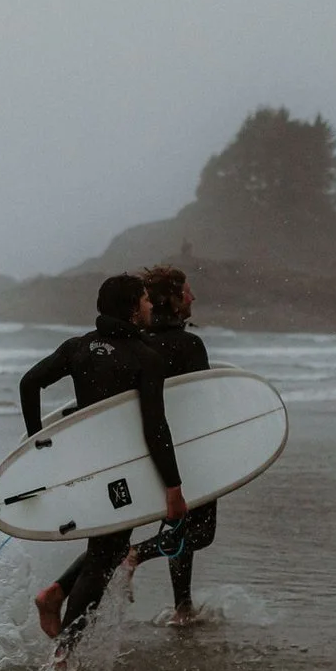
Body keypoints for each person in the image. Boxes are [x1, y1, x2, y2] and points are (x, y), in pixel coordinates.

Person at [18, 274, 179, 651]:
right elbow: (155, 428)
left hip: (87, 466)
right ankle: (64, 651)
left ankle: (55, 597)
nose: (150, 305)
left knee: (106, 549)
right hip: (122, 470)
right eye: (145, 299)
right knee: (104, 557)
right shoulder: (145, 357)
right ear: (132, 308)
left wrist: (37, 442)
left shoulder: (78, 347)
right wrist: (173, 486)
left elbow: (29, 383)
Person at [123, 265, 216, 625]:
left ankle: (183, 607)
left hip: (152, 450)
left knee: (180, 525)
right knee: (200, 532)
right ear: (174, 300)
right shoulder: (189, 345)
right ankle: (136, 554)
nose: (193, 297)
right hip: (189, 448)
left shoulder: (139, 343)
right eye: (187, 291)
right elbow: (200, 400)